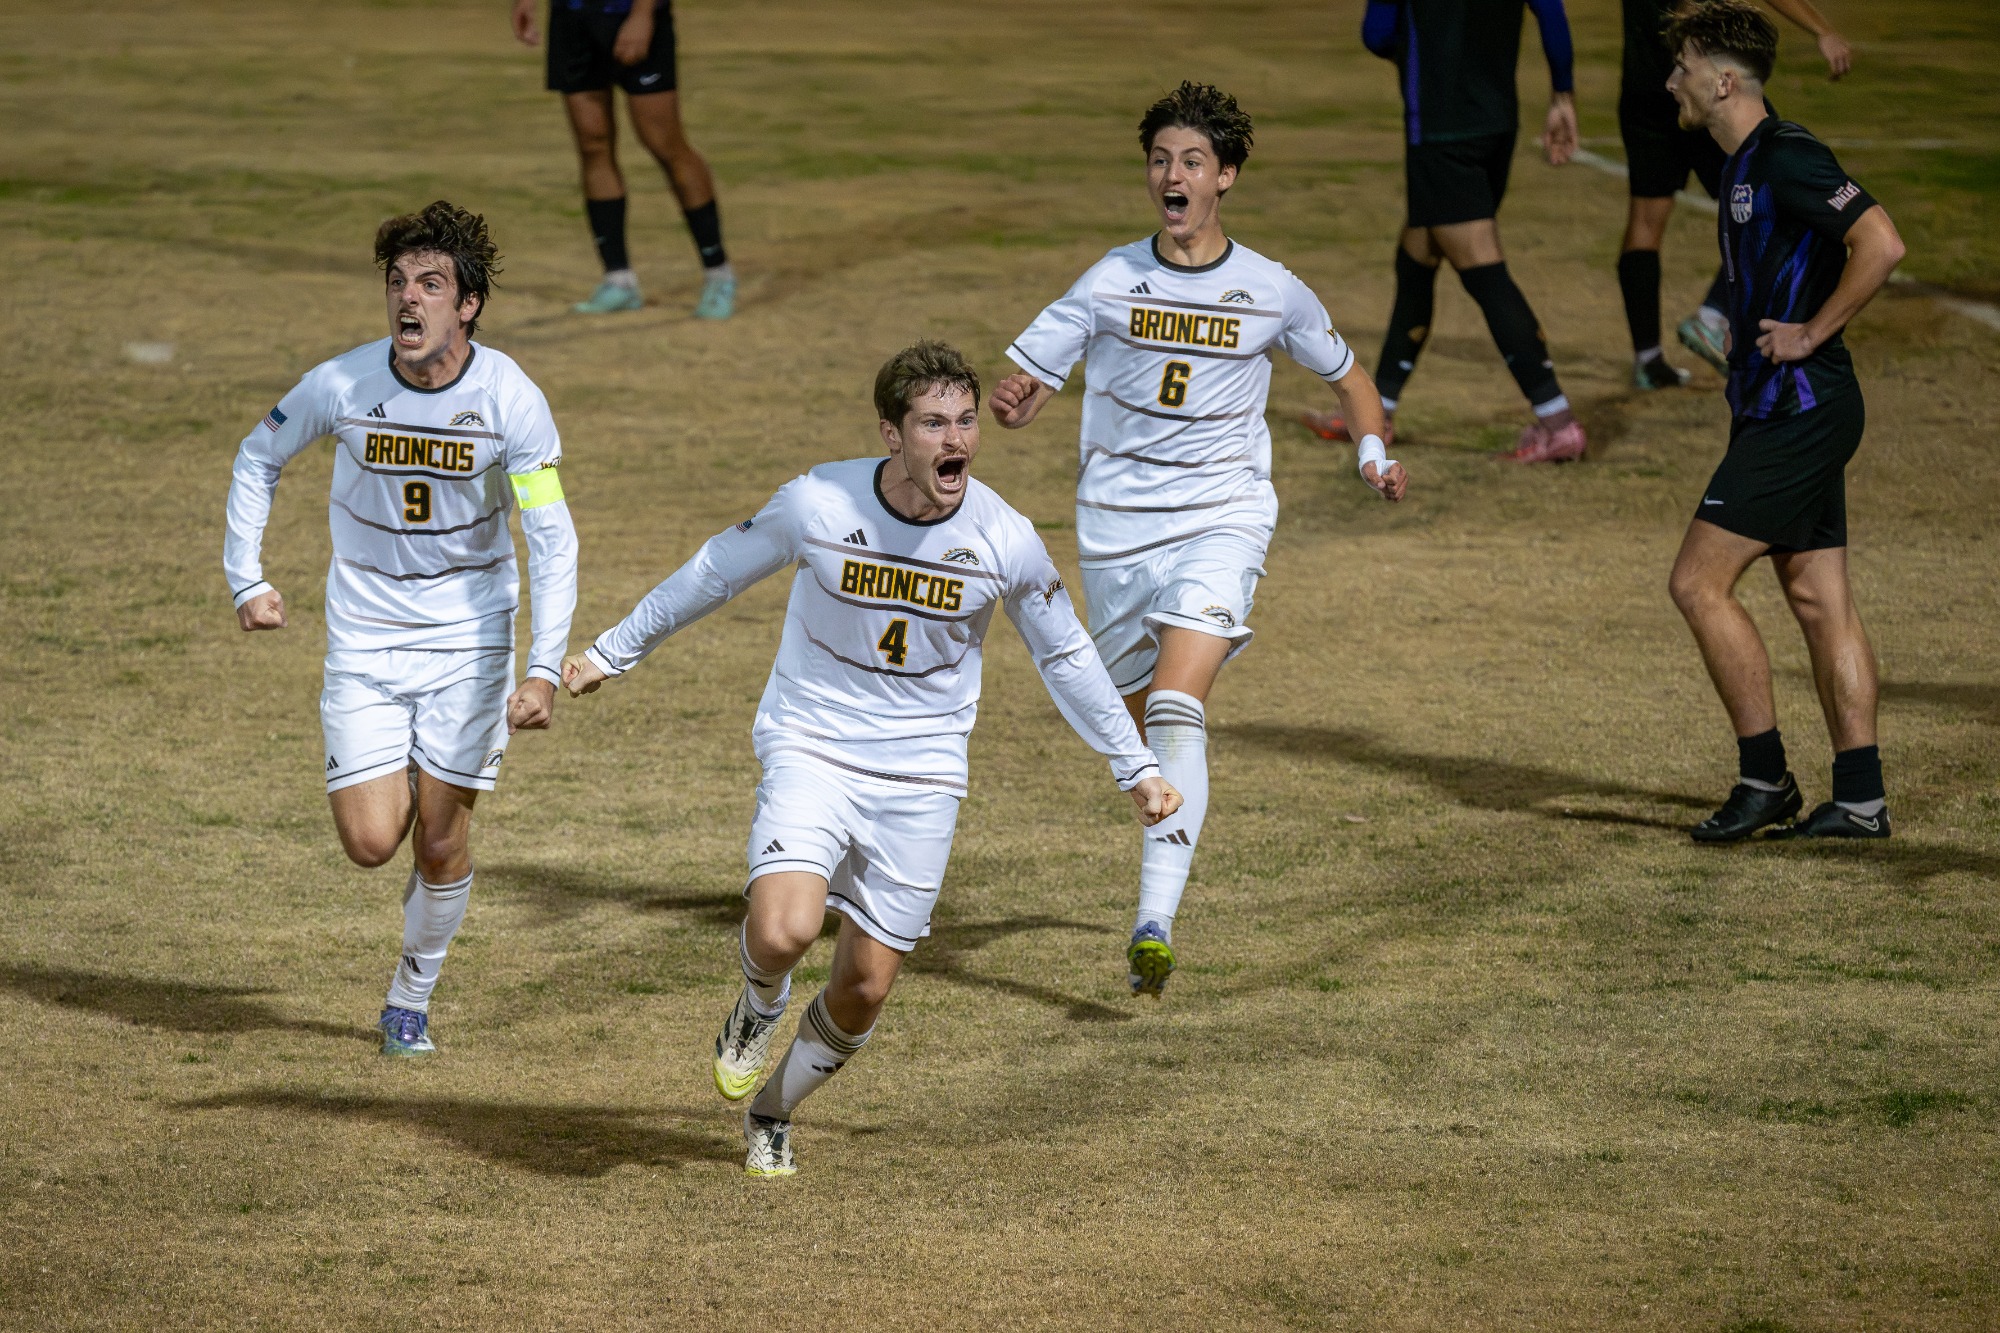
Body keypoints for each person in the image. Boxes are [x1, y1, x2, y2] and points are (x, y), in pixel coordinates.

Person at [561, 341, 1181, 1177]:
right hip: (813, 739)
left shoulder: (1004, 537)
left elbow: (1065, 654)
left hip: (923, 774)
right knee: (782, 931)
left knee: (864, 989)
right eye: (933, 422)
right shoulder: (817, 502)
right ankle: (757, 1004)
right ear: (893, 434)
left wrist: (1134, 764)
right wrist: (612, 650)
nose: (954, 437)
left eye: (965, 421)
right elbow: (714, 571)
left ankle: (773, 1108)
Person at [990, 83, 1404, 999]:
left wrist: (1372, 451)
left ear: (1226, 177)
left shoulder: (1271, 288)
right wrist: (1015, 401)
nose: (1171, 175)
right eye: (1159, 160)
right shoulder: (1106, 281)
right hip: (1115, 533)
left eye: (1189, 161)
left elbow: (1352, 379)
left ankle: (1154, 919)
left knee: (1178, 707)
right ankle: (1158, 866)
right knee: (1138, 744)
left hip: (1223, 516)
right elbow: (1021, 384)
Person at [224, 201, 580, 1054]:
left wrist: (541, 666)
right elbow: (257, 457)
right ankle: (428, 776)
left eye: (431, 283)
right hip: (366, 639)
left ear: (469, 306)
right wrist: (250, 577)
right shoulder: (343, 385)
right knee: (372, 840)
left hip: (471, 641)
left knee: (443, 832)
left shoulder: (509, 401)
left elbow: (550, 535)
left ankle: (408, 1000)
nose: (408, 300)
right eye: (396, 283)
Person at [1661, 0, 1903, 841]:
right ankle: (1861, 799)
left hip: (1800, 412)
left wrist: (1811, 330)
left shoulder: (1791, 157)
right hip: (1781, 409)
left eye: (1684, 66)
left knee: (1698, 582)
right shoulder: (1736, 166)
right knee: (1816, 595)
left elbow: (1881, 242)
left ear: (1723, 80)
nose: (1671, 80)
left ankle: (1765, 778)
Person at [1306, 0, 1585, 462]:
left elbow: (1377, 33)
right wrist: (1562, 95)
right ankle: (1377, 412)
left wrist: (1430, 54)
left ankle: (1558, 424)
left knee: (1483, 269)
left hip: (1440, 128)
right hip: (1497, 122)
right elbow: (1551, 13)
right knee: (1417, 255)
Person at [1617, 0, 1852, 388]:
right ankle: (1713, 317)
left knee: (1645, 220)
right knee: (1776, 192)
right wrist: (1821, 29)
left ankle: (1648, 359)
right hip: (1706, 82)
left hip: (1646, 85)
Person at [511, 0, 735, 319]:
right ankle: (619, 281)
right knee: (593, 145)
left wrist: (642, 14)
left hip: (628, 14)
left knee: (664, 143)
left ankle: (719, 274)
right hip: (572, 18)